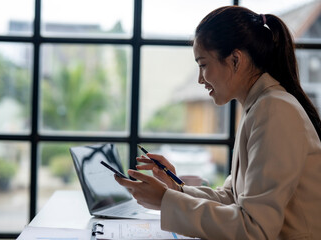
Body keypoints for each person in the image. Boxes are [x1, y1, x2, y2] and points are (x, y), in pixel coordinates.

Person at [115, 5, 321, 240]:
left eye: (203, 65)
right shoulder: (262, 106)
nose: (200, 79)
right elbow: (233, 197)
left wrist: (165, 201)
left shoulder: (275, 110)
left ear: (235, 60)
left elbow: (254, 229)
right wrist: (176, 190)